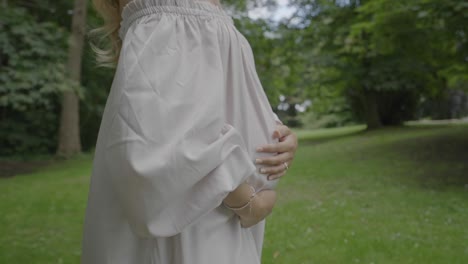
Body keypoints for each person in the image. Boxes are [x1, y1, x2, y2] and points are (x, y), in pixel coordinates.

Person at [81, 0, 298, 263]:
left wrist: (275, 130)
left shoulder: (183, 14)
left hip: (213, 212)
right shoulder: (169, 15)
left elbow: (218, 93)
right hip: (194, 221)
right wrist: (248, 203)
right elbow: (161, 142)